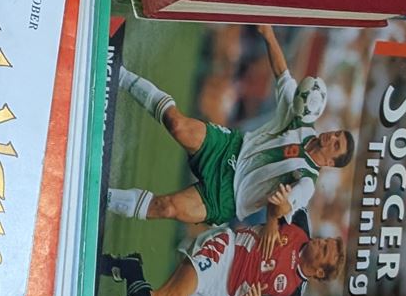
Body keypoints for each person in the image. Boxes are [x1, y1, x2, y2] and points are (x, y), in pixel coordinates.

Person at [104, 25, 353, 227]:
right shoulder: (300, 119)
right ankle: (118, 72)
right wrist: (268, 34)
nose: (332, 137)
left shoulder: (307, 180)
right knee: (177, 124)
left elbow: (287, 207)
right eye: (337, 135)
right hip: (229, 148)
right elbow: (283, 74)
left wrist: (281, 205)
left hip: (228, 199)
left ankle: (102, 197)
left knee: (167, 207)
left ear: (330, 163)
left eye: (336, 144)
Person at [93, 184, 342, 296]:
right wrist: (273, 220)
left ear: (320, 272)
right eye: (325, 242)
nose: (320, 242)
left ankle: (130, 268)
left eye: (324, 250)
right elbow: (280, 203)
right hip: (226, 252)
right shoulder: (301, 224)